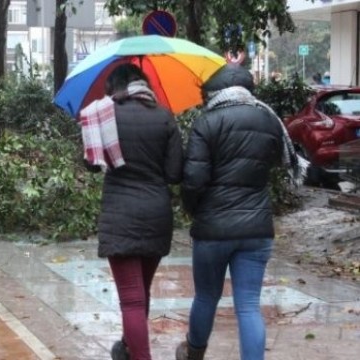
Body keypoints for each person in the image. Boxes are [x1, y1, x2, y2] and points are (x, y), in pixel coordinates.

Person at [176, 64, 306, 360]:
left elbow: (194, 181)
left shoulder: (206, 122)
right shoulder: (269, 120)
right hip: (257, 228)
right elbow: (273, 166)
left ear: (215, 92)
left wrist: (194, 211)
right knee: (248, 304)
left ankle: (194, 353)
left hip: (212, 229)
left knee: (206, 296)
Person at [80, 63, 183, 360]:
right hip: (156, 213)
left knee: (131, 300)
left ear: (114, 88)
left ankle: (139, 354)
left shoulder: (103, 113)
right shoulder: (165, 117)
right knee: (141, 292)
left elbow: (90, 163)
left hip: (120, 214)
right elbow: (175, 173)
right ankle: (127, 347)